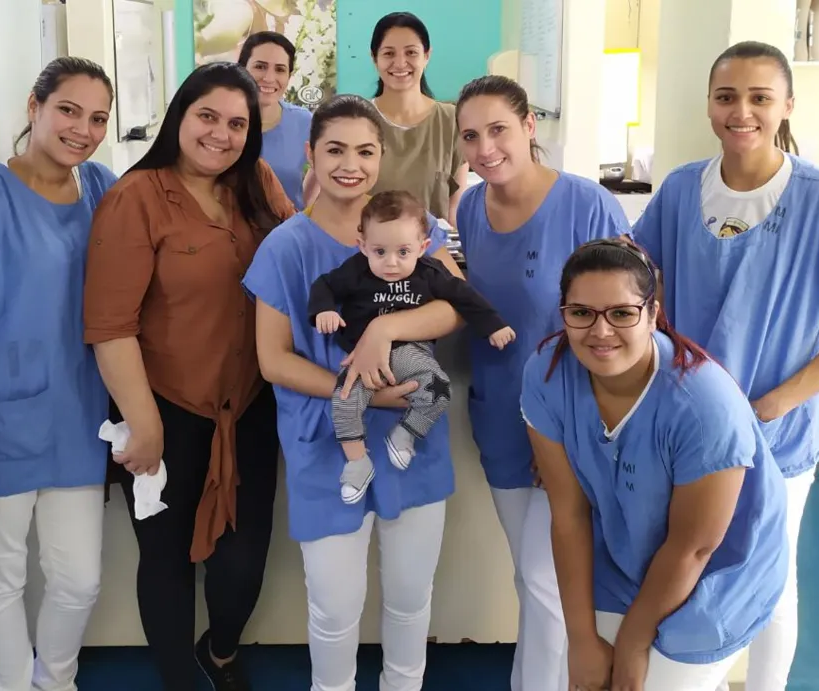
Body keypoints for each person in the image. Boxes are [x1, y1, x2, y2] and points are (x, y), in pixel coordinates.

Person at [630, 41, 819, 691]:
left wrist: (773, 402)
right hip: (686, 429)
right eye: (726, 96)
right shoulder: (681, 190)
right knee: (690, 561)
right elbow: (641, 287)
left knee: (772, 581)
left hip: (776, 433)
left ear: (786, 106)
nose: (740, 111)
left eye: (759, 97)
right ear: (709, 106)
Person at [82, 61, 294, 691]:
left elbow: (303, 249)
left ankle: (220, 652)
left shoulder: (255, 181)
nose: (221, 135)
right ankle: (180, 678)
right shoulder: (134, 197)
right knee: (166, 557)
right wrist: (142, 425)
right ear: (179, 117)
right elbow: (110, 325)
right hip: (163, 409)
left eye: (237, 123)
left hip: (250, 406)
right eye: (208, 117)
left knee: (243, 561)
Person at [244, 93, 462, 691]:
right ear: (310, 154)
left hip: (411, 443)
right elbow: (272, 360)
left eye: (366, 151)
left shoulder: (414, 233)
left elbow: (453, 307)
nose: (351, 164)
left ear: (382, 156)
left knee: (411, 599)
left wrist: (388, 329)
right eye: (334, 149)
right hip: (326, 446)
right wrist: (361, 387)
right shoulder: (286, 248)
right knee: (335, 610)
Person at [0, 57, 117, 691]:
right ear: (33, 108)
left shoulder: (103, 190)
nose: (82, 130)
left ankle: (53, 680)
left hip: (79, 420)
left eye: (97, 119)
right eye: (68, 110)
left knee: (78, 577)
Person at [522, 238, 789, 691]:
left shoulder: (704, 406)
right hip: (627, 555)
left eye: (621, 313)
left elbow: (693, 548)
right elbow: (567, 513)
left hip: (715, 574)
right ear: (563, 312)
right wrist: (581, 638)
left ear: (652, 312)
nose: (600, 332)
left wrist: (631, 644)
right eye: (581, 312)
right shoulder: (548, 373)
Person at [453, 73, 630, 691]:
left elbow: (621, 329)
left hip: (568, 426)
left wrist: (569, 430)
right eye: (471, 136)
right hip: (499, 417)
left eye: (498, 129)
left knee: (547, 582)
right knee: (533, 581)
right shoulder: (470, 207)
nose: (485, 149)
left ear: (530, 127)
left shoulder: (588, 205)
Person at [308, 189, 512, 503]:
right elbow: (324, 285)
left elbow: (464, 296)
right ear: (362, 245)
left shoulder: (430, 273)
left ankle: (406, 434)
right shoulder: (354, 271)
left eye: (403, 252)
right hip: (362, 356)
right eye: (379, 252)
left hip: (409, 353)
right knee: (345, 399)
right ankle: (357, 462)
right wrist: (322, 310)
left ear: (423, 247)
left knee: (439, 389)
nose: (391, 263)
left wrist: (493, 325)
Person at [367, 12, 468, 223]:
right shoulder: (357, 118)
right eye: (388, 54)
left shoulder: (452, 121)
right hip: (365, 251)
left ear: (427, 56)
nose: (400, 63)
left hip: (430, 251)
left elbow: (454, 209)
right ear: (374, 58)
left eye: (411, 52)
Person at [237, 31, 315, 210]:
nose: (269, 78)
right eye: (260, 66)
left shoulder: (304, 122)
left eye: (280, 69)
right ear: (242, 69)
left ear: (289, 76)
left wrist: (303, 210)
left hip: (286, 231)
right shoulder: (222, 122)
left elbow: (323, 169)